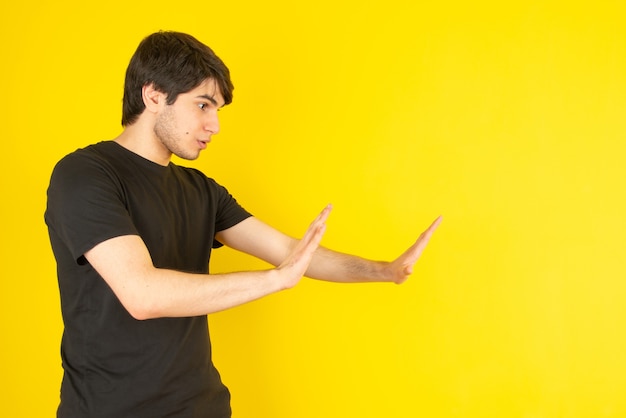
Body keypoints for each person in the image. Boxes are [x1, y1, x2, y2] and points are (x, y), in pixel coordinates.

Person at [45, 30, 442, 418]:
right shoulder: (85, 175)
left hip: (204, 408)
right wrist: (274, 280)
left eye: (217, 110)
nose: (214, 125)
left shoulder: (202, 190)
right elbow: (143, 295)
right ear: (154, 95)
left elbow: (292, 254)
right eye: (203, 105)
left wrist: (385, 270)